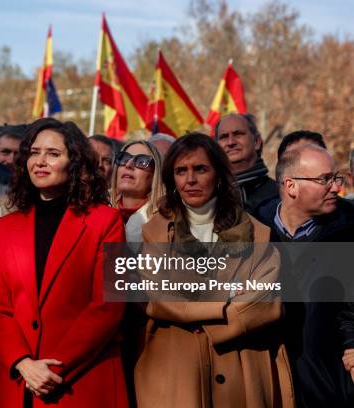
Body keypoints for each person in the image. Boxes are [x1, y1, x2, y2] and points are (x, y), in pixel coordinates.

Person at [135, 132, 294, 407]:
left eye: (200, 169)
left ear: (218, 175)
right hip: (177, 373)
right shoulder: (155, 232)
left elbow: (265, 302)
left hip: (243, 370)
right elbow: (159, 297)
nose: (190, 179)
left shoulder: (257, 233)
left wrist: (195, 306)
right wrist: (229, 301)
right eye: (181, 171)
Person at [0, 118, 128, 407]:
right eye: (34, 153)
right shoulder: (7, 227)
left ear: (75, 162)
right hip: (19, 383)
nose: (40, 162)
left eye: (53, 154)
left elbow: (109, 306)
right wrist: (22, 362)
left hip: (80, 382)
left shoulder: (105, 221)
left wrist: (52, 370)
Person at [264, 144, 354, 407]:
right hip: (270, 389)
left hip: (331, 391)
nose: (336, 188)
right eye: (324, 179)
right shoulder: (254, 228)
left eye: (335, 178)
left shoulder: (349, 229)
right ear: (291, 186)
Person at [215, 113, 279, 218]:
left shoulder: (281, 196)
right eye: (224, 137)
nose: (231, 142)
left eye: (238, 134)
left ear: (257, 142)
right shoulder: (209, 199)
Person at [110, 140, 165, 242]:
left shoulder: (167, 219)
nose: (128, 165)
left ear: (155, 174)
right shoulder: (98, 210)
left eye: (142, 161)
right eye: (124, 158)